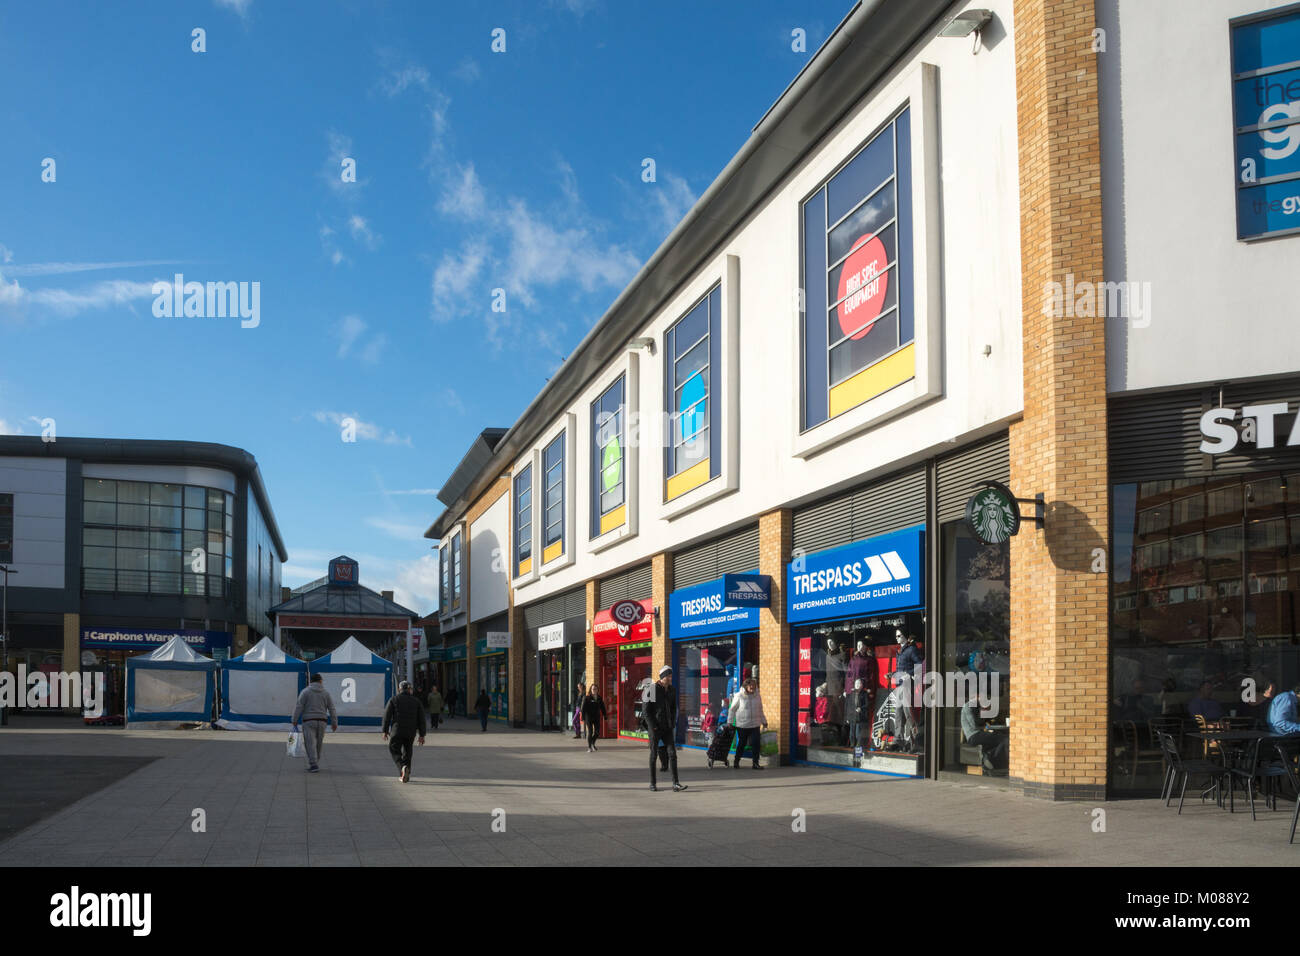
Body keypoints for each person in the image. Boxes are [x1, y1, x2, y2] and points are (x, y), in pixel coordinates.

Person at [643, 666, 686, 792]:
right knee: (653, 755)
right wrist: (653, 726)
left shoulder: (672, 690)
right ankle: (652, 783)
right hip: (655, 728)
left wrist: (672, 723)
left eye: (671, 676)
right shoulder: (651, 689)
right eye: (668, 676)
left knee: (672, 754)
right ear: (662, 677)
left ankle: (676, 783)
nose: (671, 678)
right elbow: (646, 711)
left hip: (667, 727)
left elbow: (673, 708)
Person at [291, 673, 338, 774]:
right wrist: (334, 722)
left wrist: (294, 720)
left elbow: (299, 706)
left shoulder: (305, 692)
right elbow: (332, 708)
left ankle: (313, 764)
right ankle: (316, 761)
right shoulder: (326, 693)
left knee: (310, 743)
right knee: (319, 743)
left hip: (308, 721)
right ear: (320, 681)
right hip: (322, 721)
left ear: (311, 681)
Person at [382, 680, 428, 783]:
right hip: (411, 731)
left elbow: (387, 716)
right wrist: (422, 735)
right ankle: (406, 772)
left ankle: (402, 767)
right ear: (410, 690)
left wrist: (385, 730)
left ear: (399, 689)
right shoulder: (416, 701)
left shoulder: (394, 699)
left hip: (397, 730)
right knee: (408, 751)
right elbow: (421, 719)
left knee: (393, 748)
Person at [727, 674, 768, 770]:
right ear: (746, 686)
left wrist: (764, 721)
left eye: (754, 685)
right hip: (742, 725)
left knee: (756, 744)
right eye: (751, 686)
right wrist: (730, 722)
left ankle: (755, 763)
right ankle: (736, 761)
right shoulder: (739, 696)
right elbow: (732, 710)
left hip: (755, 724)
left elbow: (760, 709)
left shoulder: (758, 696)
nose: (753, 687)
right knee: (742, 744)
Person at [960, 699, 1008, 772]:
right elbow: (975, 725)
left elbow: (988, 723)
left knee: (1000, 738)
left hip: (979, 735)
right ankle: (990, 758)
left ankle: (991, 761)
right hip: (974, 736)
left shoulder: (977, 709)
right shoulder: (968, 707)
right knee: (1005, 739)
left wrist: (990, 720)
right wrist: (983, 714)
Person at [581, 685, 607, 752]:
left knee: (597, 732)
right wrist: (582, 717)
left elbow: (602, 707)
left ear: (597, 690)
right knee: (590, 731)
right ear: (591, 690)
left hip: (596, 717)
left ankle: (592, 743)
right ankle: (589, 747)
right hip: (588, 717)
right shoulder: (587, 698)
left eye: (595, 689)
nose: (594, 690)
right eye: (593, 689)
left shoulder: (599, 698)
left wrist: (605, 715)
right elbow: (583, 708)